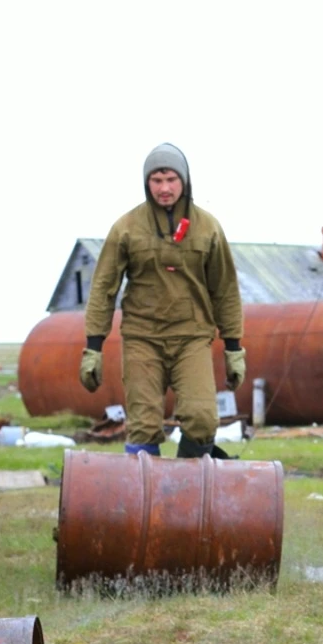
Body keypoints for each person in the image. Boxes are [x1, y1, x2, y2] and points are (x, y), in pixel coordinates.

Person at [80, 143, 245, 459]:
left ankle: (186, 490)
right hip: (143, 338)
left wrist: (234, 347)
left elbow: (225, 290)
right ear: (147, 183)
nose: (165, 188)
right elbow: (103, 289)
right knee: (143, 425)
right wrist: (93, 347)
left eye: (171, 179)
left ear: (184, 180)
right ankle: (145, 503)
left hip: (192, 337)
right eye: (157, 180)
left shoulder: (208, 227)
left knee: (202, 419)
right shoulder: (126, 228)